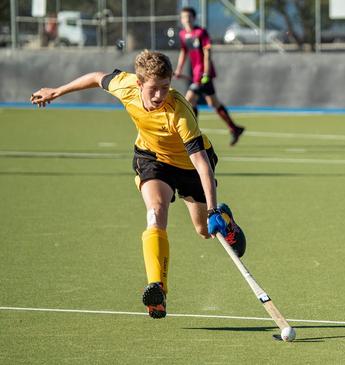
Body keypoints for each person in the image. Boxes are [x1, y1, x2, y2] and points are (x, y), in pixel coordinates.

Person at [30, 50, 245, 319]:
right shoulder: (126, 86)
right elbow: (97, 78)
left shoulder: (179, 112)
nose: (159, 96)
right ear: (139, 84)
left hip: (191, 166)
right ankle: (158, 290)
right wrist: (57, 91)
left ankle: (226, 218)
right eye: (154, 89)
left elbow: (202, 164)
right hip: (152, 158)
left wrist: (213, 209)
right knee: (155, 213)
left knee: (203, 230)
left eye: (165, 88)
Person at [174, 6, 245, 146]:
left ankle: (192, 135)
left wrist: (205, 73)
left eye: (189, 17)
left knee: (189, 99)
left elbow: (207, 53)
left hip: (203, 74)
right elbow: (184, 52)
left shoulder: (201, 32)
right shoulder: (182, 34)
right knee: (213, 102)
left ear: (194, 18)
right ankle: (234, 128)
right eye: (184, 17)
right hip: (195, 73)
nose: (186, 20)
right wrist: (178, 70)